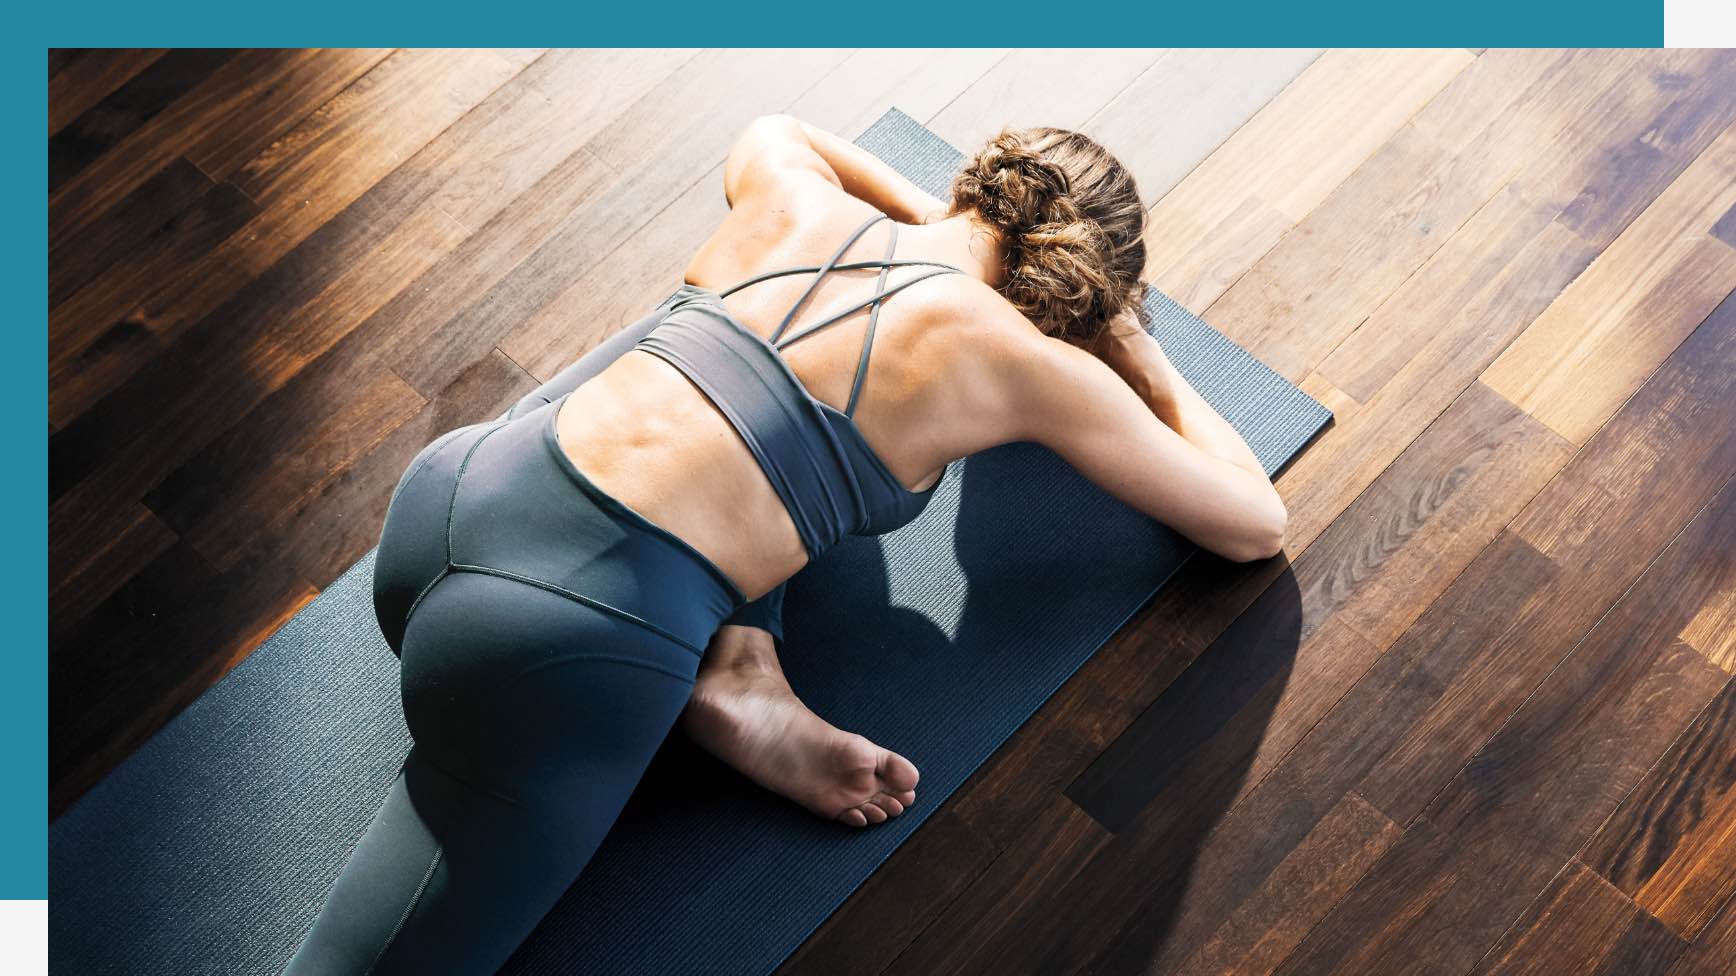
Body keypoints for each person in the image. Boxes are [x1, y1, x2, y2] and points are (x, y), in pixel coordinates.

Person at [284, 115, 1286, 975]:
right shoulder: (1025, 362)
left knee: (702, 355)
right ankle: (728, 666)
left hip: (452, 497)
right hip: (552, 653)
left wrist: (923, 226)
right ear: (1077, 285)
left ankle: (737, 665)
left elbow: (789, 127)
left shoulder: (790, 194)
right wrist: (1136, 354)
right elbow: (1250, 524)